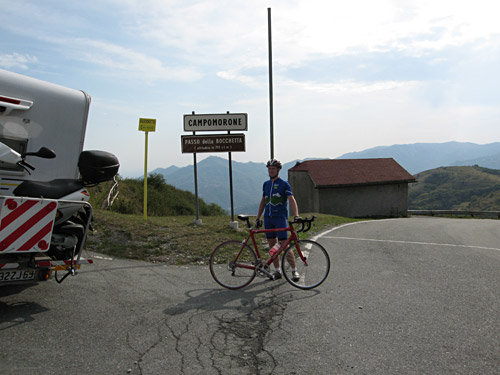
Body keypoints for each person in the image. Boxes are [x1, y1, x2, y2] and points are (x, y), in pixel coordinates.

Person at [256, 158, 301, 281]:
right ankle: (277, 271)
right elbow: (263, 201)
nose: (271, 171)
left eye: (273, 169)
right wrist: (258, 217)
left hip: (280, 218)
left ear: (278, 170)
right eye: (269, 169)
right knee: (272, 246)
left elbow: (291, 199)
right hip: (268, 219)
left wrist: (296, 215)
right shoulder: (266, 184)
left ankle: (294, 270)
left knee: (284, 246)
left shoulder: (284, 184)